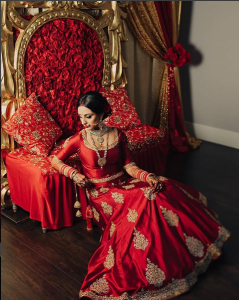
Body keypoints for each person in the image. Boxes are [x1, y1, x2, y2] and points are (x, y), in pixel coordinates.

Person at [51, 91, 230, 300]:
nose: (82, 121)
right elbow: (55, 160)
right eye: (80, 116)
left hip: (124, 183)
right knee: (147, 198)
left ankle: (177, 254)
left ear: (101, 113)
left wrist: (148, 176)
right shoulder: (78, 138)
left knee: (160, 188)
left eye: (88, 116)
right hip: (101, 192)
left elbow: (129, 165)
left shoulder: (118, 135)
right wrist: (74, 174)